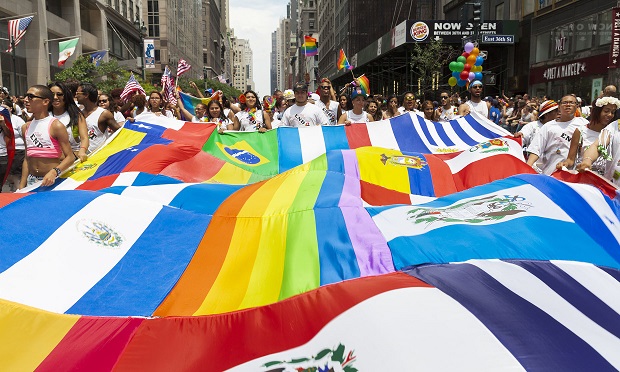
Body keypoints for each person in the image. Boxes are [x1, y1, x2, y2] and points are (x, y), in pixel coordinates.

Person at [19, 85, 74, 188]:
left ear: (45, 102)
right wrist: (22, 185)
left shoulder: (56, 126)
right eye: (26, 96)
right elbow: (27, 159)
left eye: (31, 96)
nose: (26, 100)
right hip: (32, 182)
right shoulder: (25, 127)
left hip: (53, 181)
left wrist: (54, 172)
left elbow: (70, 157)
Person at [556, 96, 620, 174]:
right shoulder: (580, 131)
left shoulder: (613, 133)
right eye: (606, 111)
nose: (610, 115)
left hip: (605, 180)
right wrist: (565, 164)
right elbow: (570, 159)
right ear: (597, 111)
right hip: (583, 176)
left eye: (613, 112)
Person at [526, 94, 587, 175]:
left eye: (572, 103)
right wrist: (528, 167)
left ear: (577, 106)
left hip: (576, 175)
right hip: (551, 173)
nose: (568, 105)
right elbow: (536, 148)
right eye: (565, 103)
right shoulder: (548, 126)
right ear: (559, 106)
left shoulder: (584, 124)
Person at [48, 82, 89, 163]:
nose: (55, 97)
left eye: (59, 94)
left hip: (74, 161)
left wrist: (82, 151)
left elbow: (84, 138)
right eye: (52, 94)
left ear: (66, 96)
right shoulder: (44, 116)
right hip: (51, 162)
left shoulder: (76, 115)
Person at [76, 82, 121, 153]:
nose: (76, 95)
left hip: (99, 157)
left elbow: (120, 132)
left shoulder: (104, 114)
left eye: (78, 93)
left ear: (86, 95)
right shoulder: (79, 113)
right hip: (82, 158)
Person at [1, 98, 25, 190]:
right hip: (6, 151)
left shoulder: (17, 120)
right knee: (9, 175)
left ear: (10, 108)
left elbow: (24, 135)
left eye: (5, 108)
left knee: (16, 174)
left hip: (18, 150)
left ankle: (18, 190)